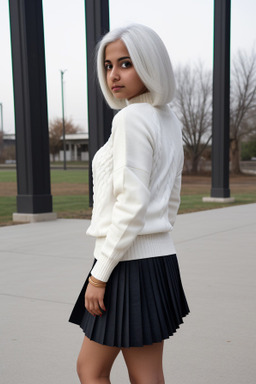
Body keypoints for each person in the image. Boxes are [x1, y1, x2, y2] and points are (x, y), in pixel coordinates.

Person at [69, 23, 189, 384]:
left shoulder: (131, 119)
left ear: (150, 64)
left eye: (125, 63)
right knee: (147, 375)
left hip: (124, 264)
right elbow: (172, 199)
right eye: (108, 66)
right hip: (158, 262)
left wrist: (99, 275)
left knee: (90, 369)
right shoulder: (169, 120)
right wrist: (158, 237)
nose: (114, 75)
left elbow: (131, 204)